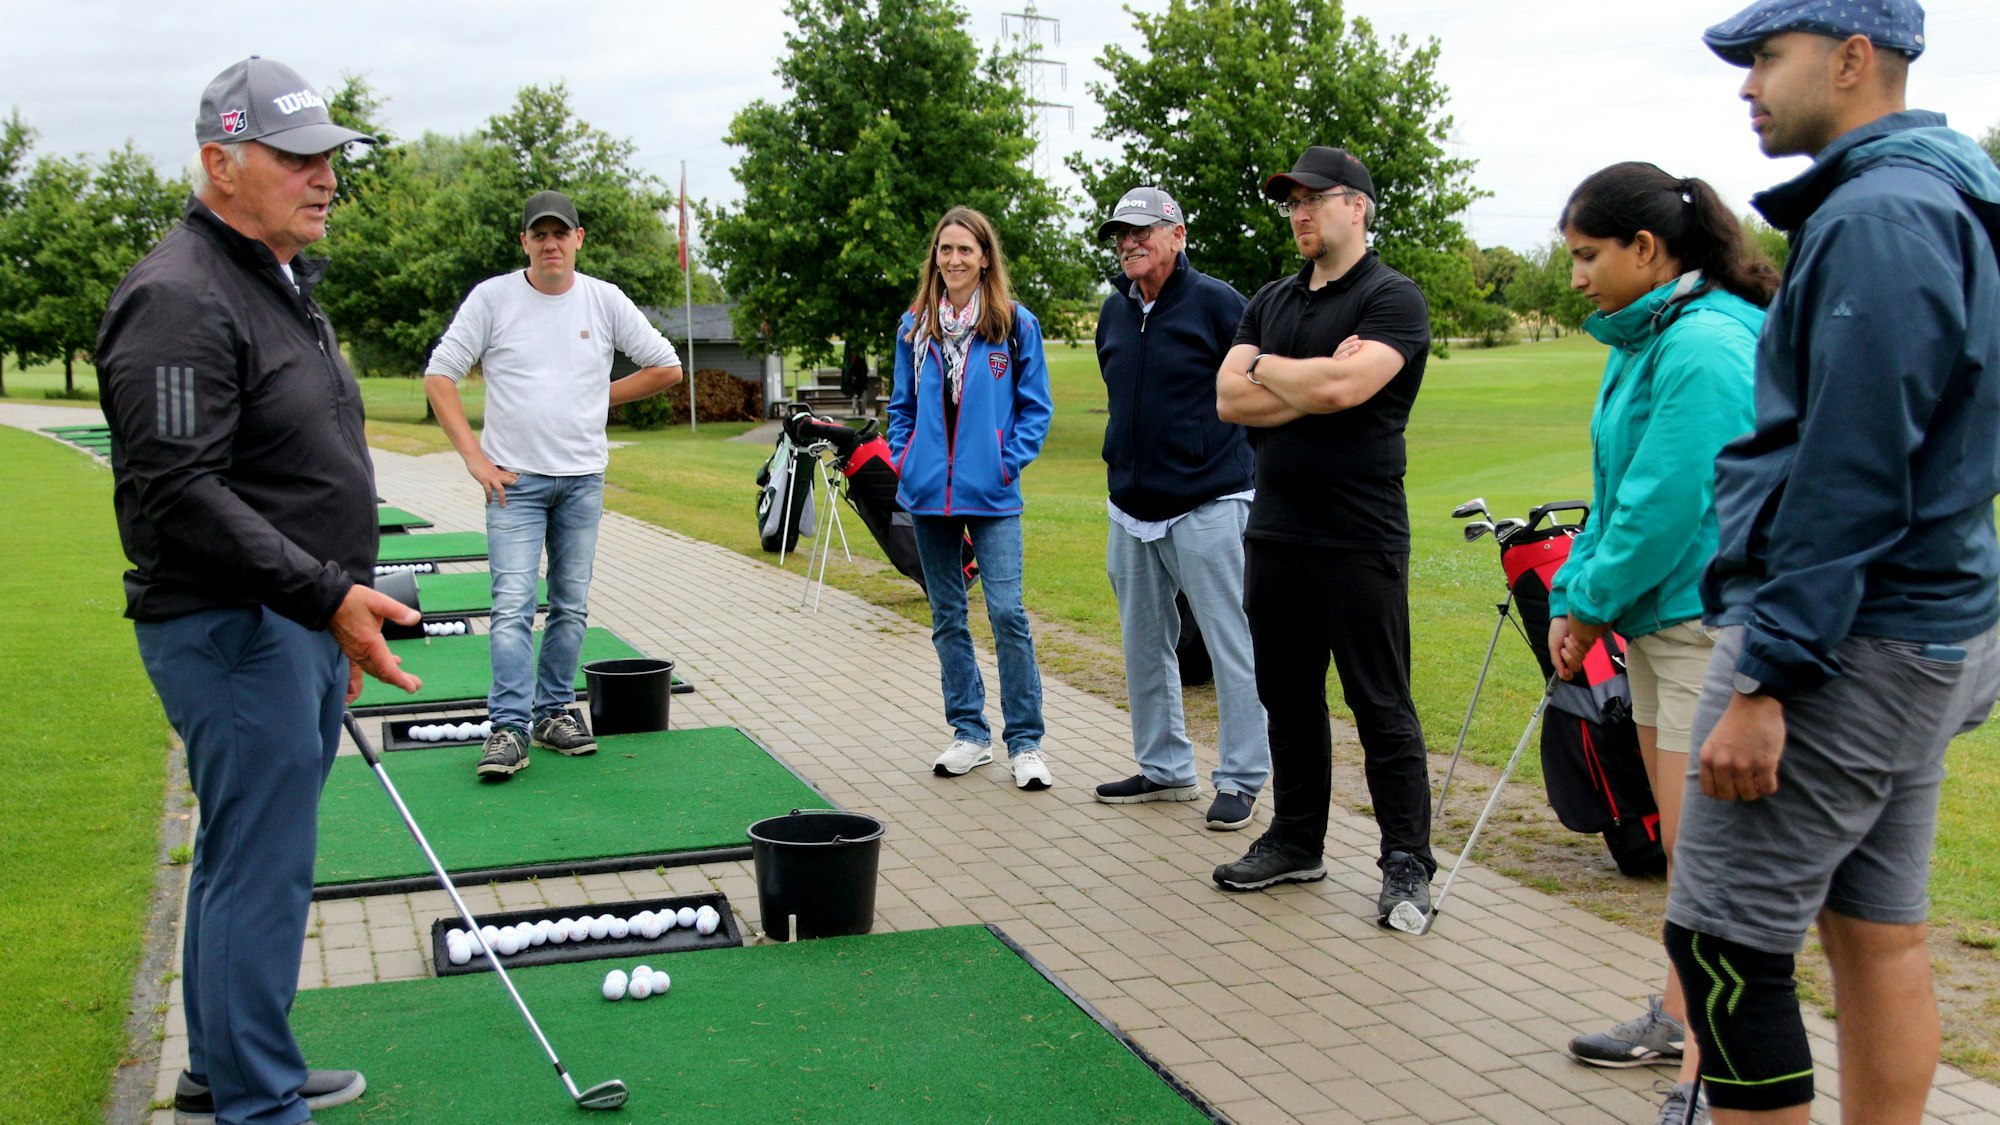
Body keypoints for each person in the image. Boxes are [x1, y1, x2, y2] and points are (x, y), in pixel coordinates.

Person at [1664, 3, 2000, 1122]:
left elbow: (1852, 468)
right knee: (1874, 933)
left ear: (1851, 59)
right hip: (1914, 627)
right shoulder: (1934, 198)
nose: (1745, 83)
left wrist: (1765, 678)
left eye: (1765, 56)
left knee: (1718, 945)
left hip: (1844, 642)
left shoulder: (1881, 217)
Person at [95, 56, 422, 1125]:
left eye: (328, 157)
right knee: (260, 868)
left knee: (247, 857)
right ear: (219, 163)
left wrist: (333, 612)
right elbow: (178, 491)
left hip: (287, 620)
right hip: (233, 626)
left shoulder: (269, 282)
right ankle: (255, 1097)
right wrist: (326, 598)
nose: (323, 176)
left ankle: (224, 1066)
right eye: (295, 157)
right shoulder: (180, 296)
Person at [1548, 162, 1776, 1125]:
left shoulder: (1707, 347)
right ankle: (1684, 1023)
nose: (1575, 280)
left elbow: (1669, 506)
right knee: (1689, 858)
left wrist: (1589, 600)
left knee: (1713, 863)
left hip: (1706, 634)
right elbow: (1614, 486)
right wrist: (1573, 593)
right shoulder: (1646, 338)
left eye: (1588, 257)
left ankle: (1709, 1075)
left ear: (1648, 250)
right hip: (1658, 627)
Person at [1211, 146, 1437, 925]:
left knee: (1381, 704)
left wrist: (1283, 376)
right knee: (1287, 697)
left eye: (1315, 199)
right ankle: (1298, 840)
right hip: (1275, 531)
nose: (1300, 213)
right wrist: (1305, 376)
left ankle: (1406, 861)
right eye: (1292, 202)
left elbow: (1347, 384)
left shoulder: (1393, 299)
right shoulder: (1270, 301)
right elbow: (1230, 400)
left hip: (1359, 535)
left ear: (1358, 207)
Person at [426, 190, 683, 780]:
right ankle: (508, 729)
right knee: (513, 605)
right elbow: (441, 375)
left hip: (582, 479)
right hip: (513, 482)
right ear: (524, 242)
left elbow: (666, 365)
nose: (550, 244)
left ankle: (551, 714)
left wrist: (597, 396)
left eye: (560, 234)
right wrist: (474, 458)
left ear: (578, 239)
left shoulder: (604, 299)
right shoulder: (492, 299)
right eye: (539, 234)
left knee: (570, 605)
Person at [1090, 185, 1270, 830]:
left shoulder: (1219, 303)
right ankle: (1165, 768)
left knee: (1232, 645)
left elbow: (1262, 385)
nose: (1129, 243)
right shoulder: (1114, 311)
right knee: (1144, 644)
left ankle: (1244, 776)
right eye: (1120, 234)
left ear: (1178, 235)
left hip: (1209, 501)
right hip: (1130, 507)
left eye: (1142, 231)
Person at [887, 207, 1055, 790]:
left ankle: (1026, 742)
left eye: (966, 249)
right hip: (929, 495)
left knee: (1007, 614)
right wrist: (906, 459)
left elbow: (1036, 407)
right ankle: (969, 733)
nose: (954, 260)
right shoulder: (914, 327)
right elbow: (900, 410)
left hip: (993, 493)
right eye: (945, 250)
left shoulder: (1014, 324)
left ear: (985, 257)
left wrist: (1007, 462)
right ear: (935, 258)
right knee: (947, 617)